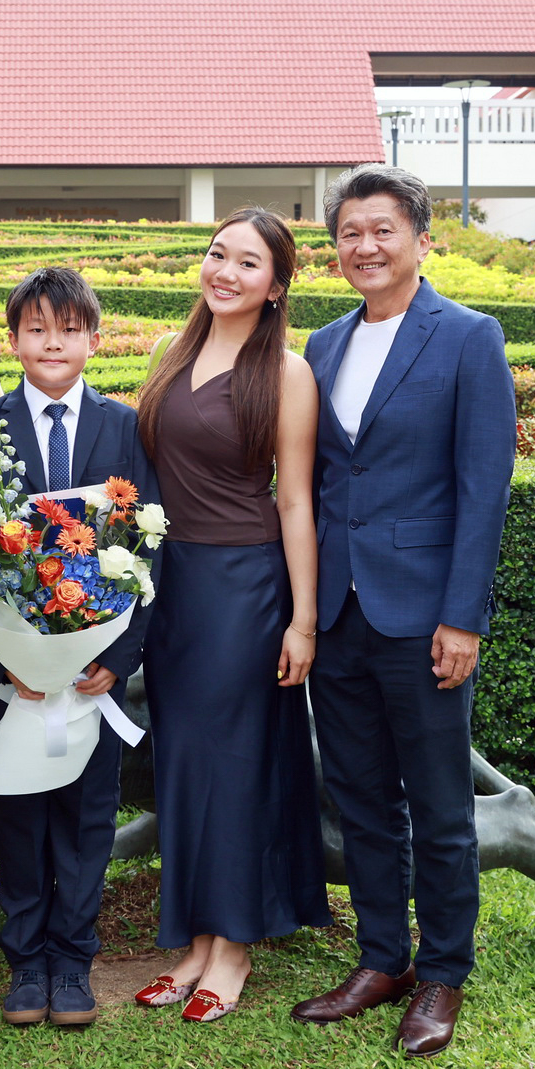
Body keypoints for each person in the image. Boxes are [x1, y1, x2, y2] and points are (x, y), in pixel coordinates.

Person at [291, 164, 515, 1059]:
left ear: (421, 239)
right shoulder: (322, 345)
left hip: (424, 616)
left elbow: (483, 487)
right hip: (339, 612)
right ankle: (382, 958)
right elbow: (315, 479)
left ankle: (444, 972)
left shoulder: (467, 337)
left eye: (383, 229)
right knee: (360, 800)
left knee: (439, 805)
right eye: (350, 232)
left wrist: (463, 617)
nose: (366, 246)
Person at [131, 207, 332, 1024]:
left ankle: (234, 945)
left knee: (237, 766)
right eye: (219, 254)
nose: (226, 271)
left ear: (277, 286)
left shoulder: (287, 372)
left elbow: (295, 500)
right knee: (184, 763)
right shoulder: (169, 352)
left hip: (244, 587)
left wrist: (303, 619)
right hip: (170, 587)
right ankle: (194, 940)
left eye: (249, 263)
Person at [0, 266, 162, 1031]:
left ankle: (74, 957)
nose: (53, 343)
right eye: (38, 329)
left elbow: (148, 544)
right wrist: (4, 658)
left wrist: (121, 655)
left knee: (87, 814)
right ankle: (26, 958)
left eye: (69, 329)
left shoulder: (124, 425)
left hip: (94, 669)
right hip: (15, 668)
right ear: (13, 340)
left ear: (94, 340)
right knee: (19, 809)